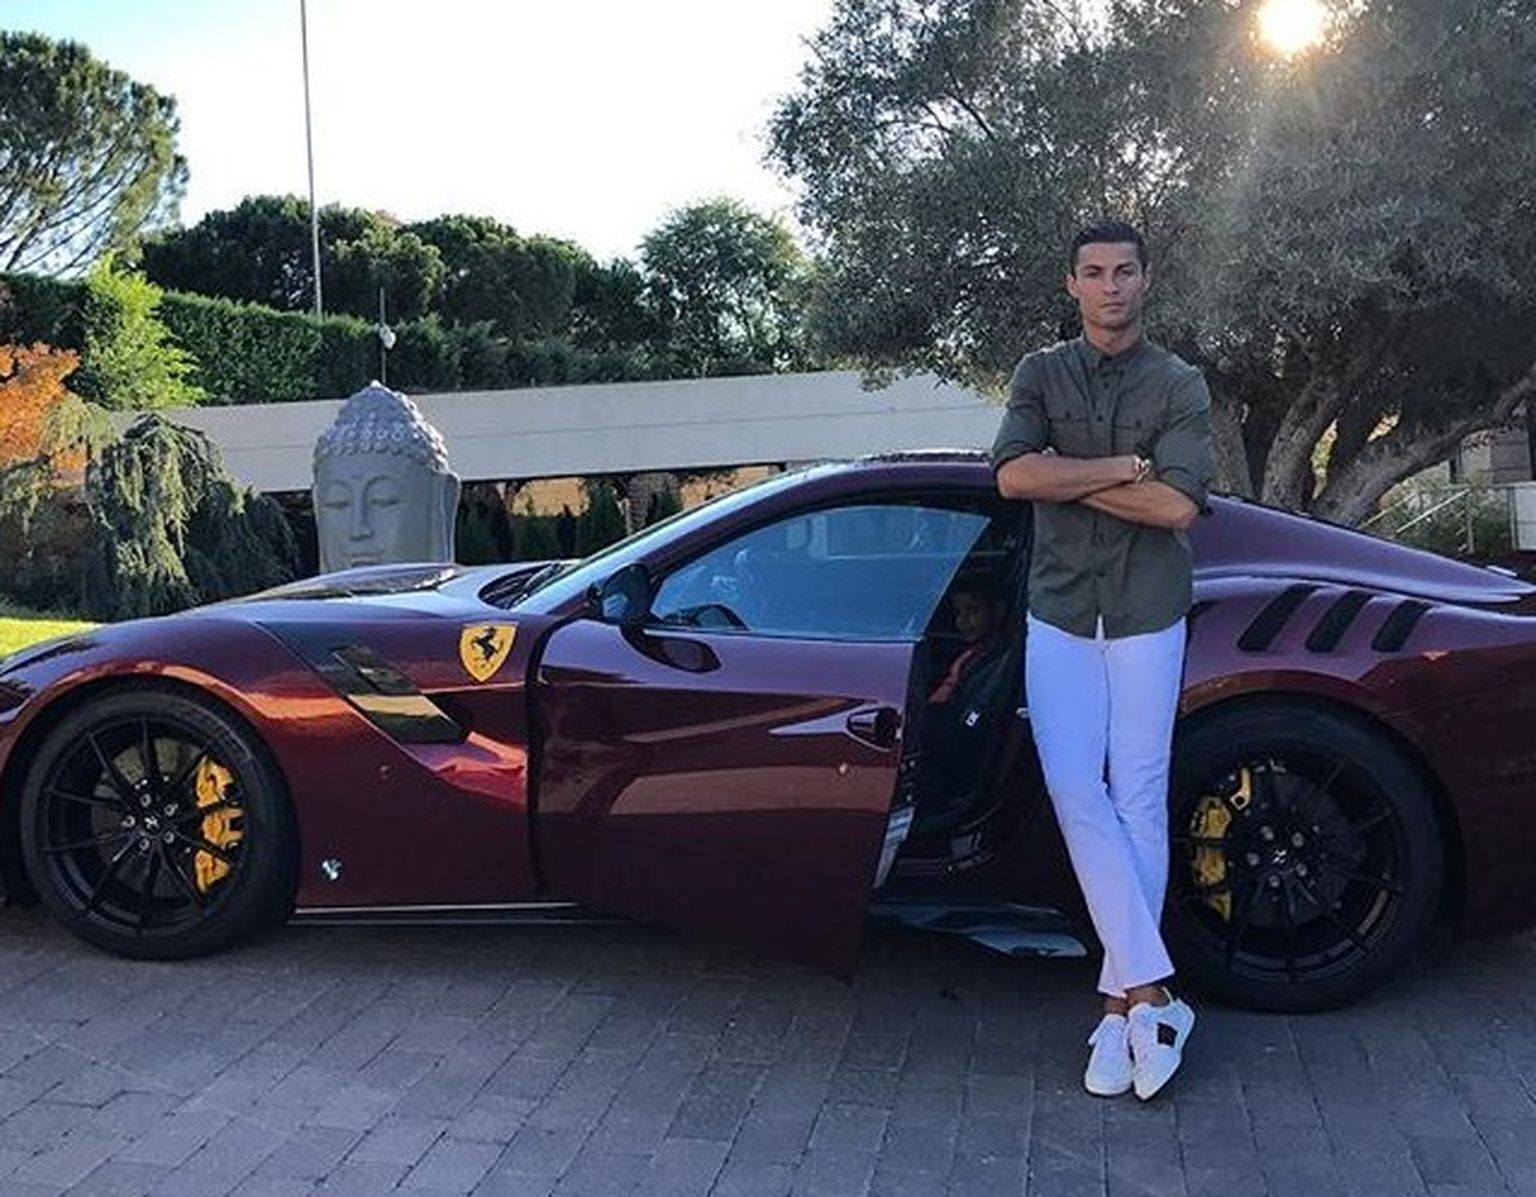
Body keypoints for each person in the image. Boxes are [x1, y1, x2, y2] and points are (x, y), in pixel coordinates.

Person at [990, 218, 1213, 1100]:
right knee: (1074, 787)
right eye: (1094, 271)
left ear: (1146, 280)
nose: (1110, 285)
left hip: (1148, 612)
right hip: (1059, 613)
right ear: (1072, 284)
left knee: (1139, 796)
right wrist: (1125, 466)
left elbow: (1178, 508)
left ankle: (1121, 1008)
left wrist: (1068, 472)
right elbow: (1013, 476)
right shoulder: (1040, 373)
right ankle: (1154, 991)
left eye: (1124, 271)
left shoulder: (1179, 382)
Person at [913, 573, 1011, 832]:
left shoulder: (999, 663)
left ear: (998, 611)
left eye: (973, 611)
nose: (963, 621)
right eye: (958, 613)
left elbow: (967, 722)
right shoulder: (975, 655)